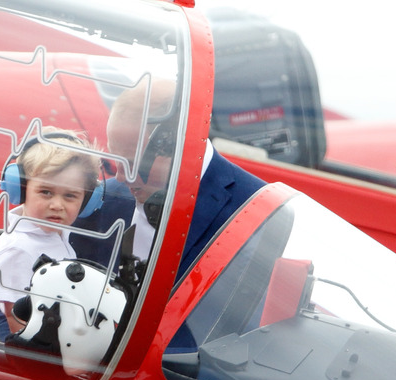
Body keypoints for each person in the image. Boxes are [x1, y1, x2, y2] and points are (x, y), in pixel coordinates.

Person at [73, 79, 265, 281]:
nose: (120, 177)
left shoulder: (255, 210)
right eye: (116, 159)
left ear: (178, 147)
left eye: (133, 163)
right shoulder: (100, 203)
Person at [0, 127, 101, 339]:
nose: (57, 205)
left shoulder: (56, 233)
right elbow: (16, 320)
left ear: (87, 200)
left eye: (70, 195)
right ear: (21, 189)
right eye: (46, 192)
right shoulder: (18, 249)